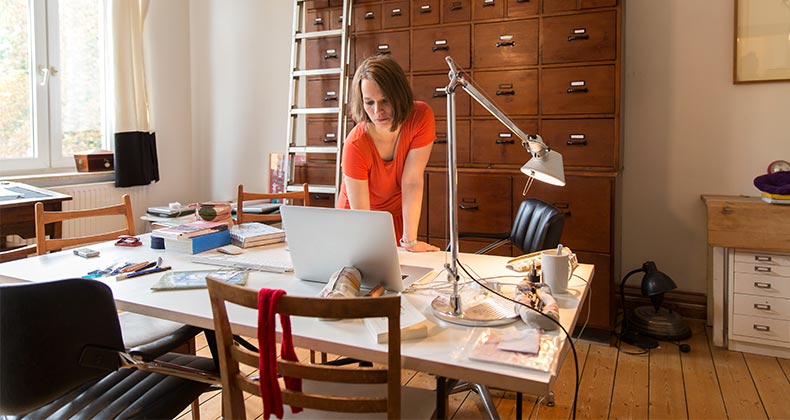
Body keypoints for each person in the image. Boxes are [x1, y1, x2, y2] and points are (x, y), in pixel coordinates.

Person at [336, 55, 439, 252]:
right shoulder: (355, 145)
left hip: (394, 216)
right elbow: (362, 217)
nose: (378, 111)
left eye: (385, 100)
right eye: (369, 103)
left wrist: (410, 241)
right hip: (358, 219)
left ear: (399, 95)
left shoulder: (421, 117)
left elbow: (412, 181)